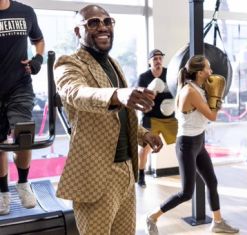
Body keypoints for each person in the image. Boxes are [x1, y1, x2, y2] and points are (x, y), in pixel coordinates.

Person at [54, 5, 163, 234]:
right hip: (95, 176)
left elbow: (121, 116)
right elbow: (76, 92)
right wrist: (117, 94)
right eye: (93, 22)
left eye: (107, 21)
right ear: (78, 31)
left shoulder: (113, 63)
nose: (102, 27)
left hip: (126, 170)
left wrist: (144, 135)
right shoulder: (69, 63)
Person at [145, 55, 239, 235]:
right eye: (208, 68)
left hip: (198, 141)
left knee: (212, 181)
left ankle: (217, 222)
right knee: (187, 193)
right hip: (187, 144)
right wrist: (217, 99)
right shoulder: (190, 92)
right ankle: (152, 216)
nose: (211, 72)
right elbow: (212, 116)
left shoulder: (197, 88)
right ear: (199, 72)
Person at [0, 0, 45, 215]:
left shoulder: (25, 12)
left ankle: (23, 183)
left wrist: (38, 59)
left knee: (24, 134)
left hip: (20, 86)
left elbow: (39, 40)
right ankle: (2, 192)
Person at [136, 49, 177, 188]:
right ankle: (141, 175)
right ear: (150, 62)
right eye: (155, 59)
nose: (158, 61)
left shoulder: (170, 74)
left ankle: (189, 170)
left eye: (160, 58)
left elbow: (177, 90)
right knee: (145, 148)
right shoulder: (144, 77)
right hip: (150, 117)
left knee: (184, 143)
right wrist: (151, 92)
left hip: (169, 117)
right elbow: (140, 99)